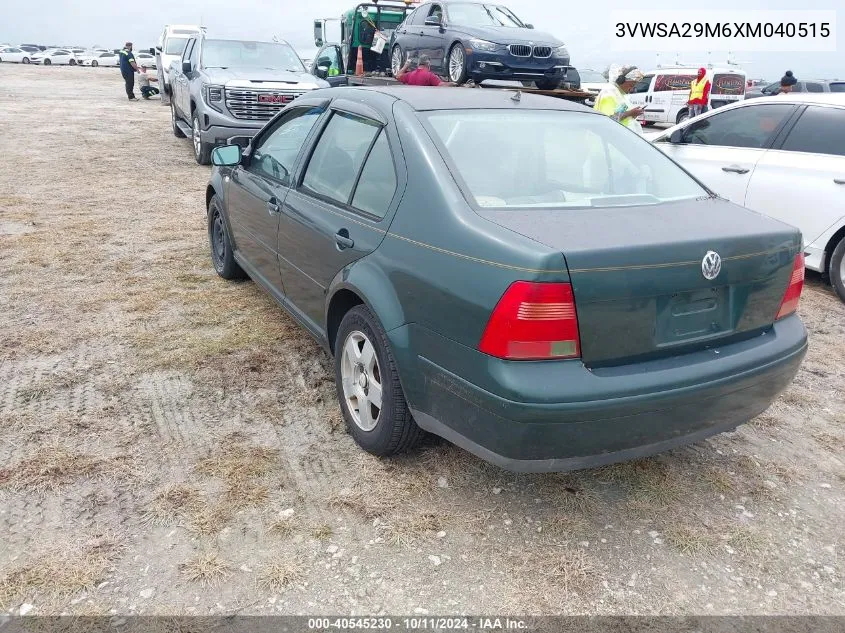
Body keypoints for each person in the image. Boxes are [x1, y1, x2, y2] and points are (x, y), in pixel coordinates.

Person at [593, 66, 644, 134]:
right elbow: (608, 119)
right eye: (631, 85)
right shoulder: (608, 93)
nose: (632, 89)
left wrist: (632, 114)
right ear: (621, 80)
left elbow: (620, 113)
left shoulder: (620, 94)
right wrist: (630, 113)